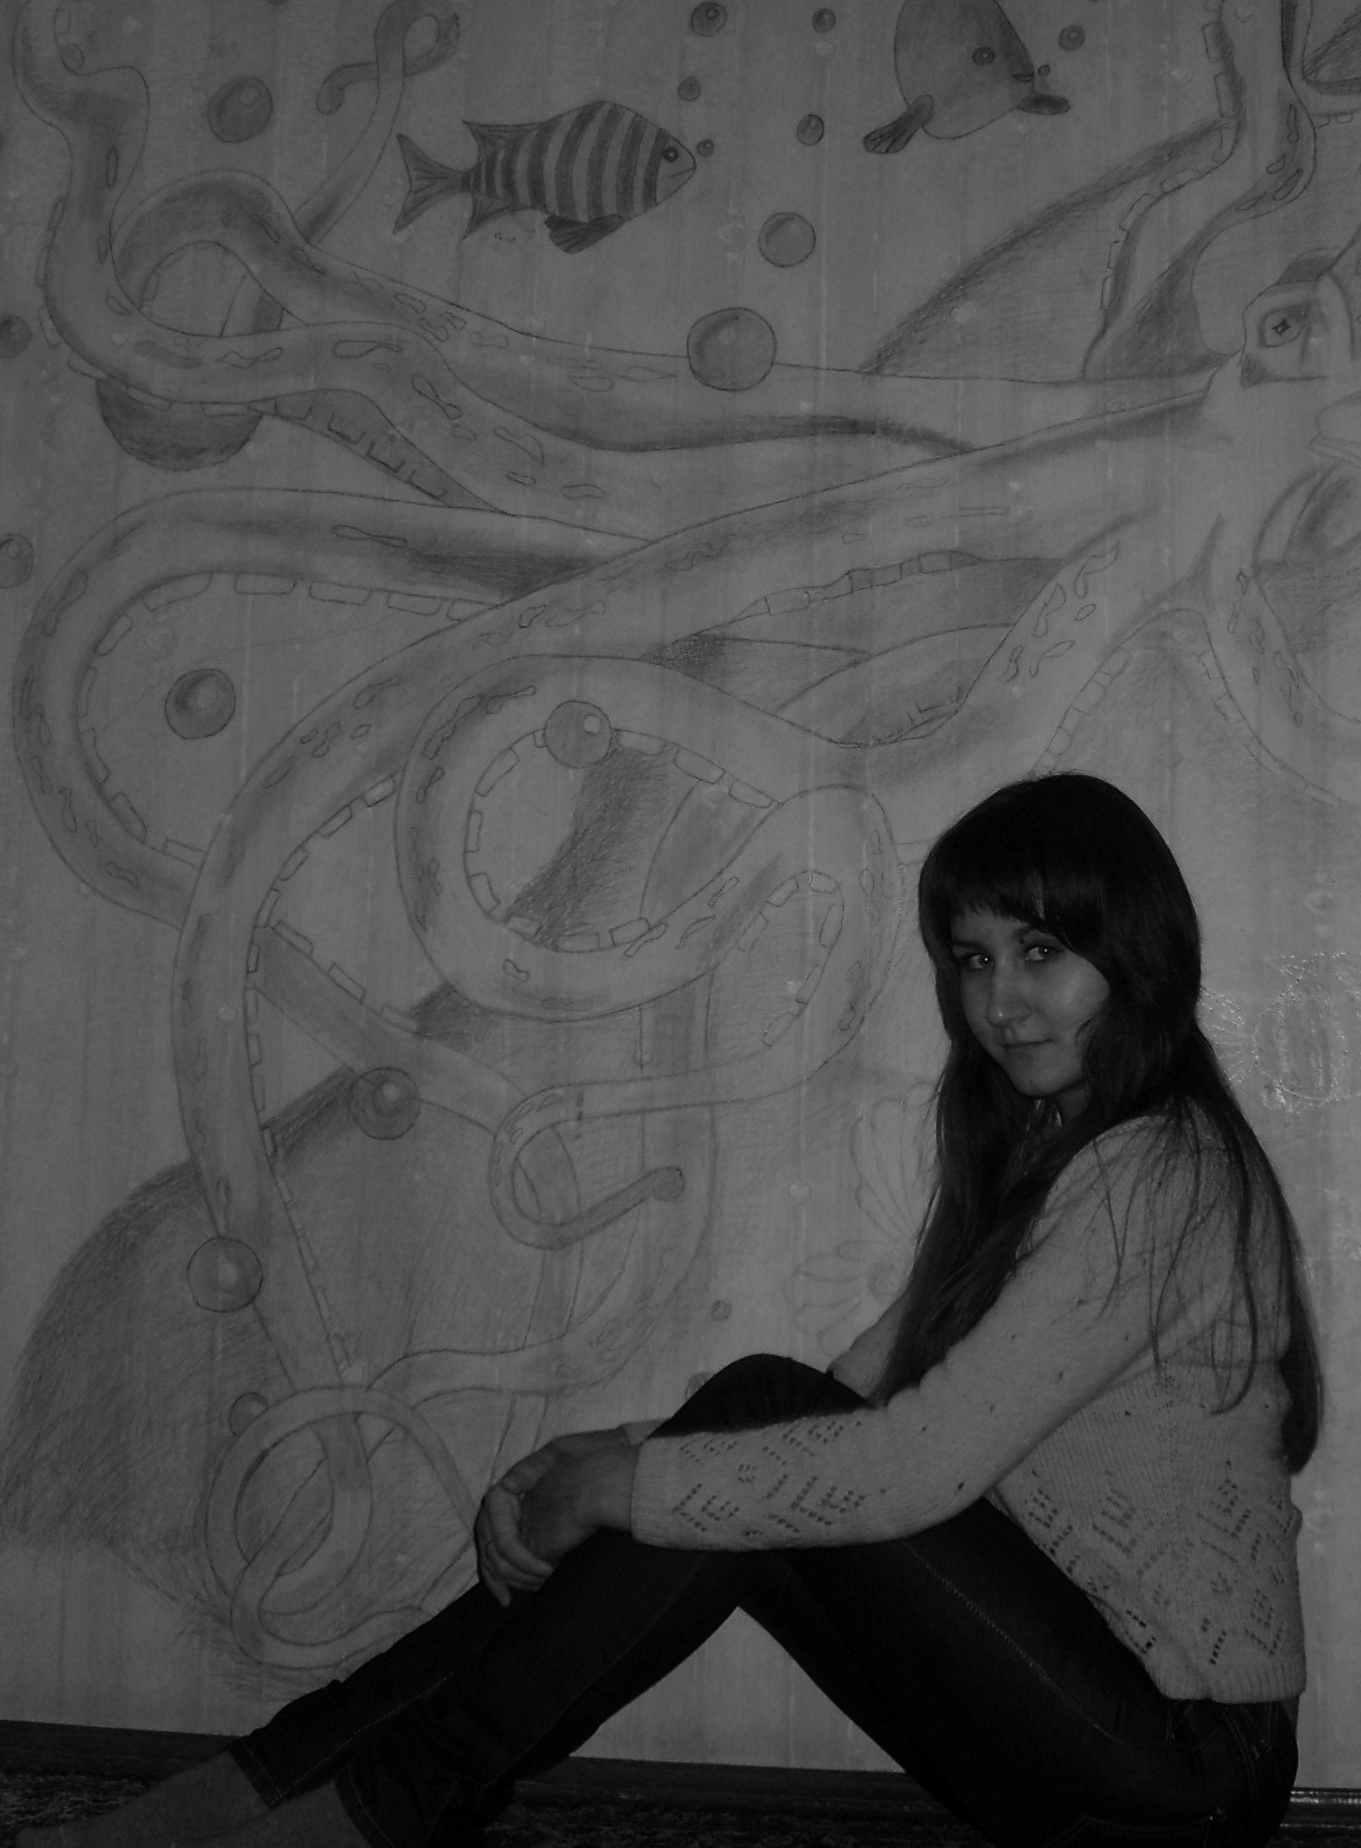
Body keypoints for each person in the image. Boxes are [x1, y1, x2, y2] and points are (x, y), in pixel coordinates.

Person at [26, 772, 1322, 1848]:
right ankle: (252, 1788)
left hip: (1184, 1774)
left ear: (1133, 946)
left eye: (1041, 951)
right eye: (973, 959)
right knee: (748, 1457)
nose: (997, 1001)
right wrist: (601, 1464)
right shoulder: (1048, 1157)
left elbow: (913, 1463)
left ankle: (368, 1810)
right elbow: (849, 1402)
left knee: (748, 1437)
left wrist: (618, 1483)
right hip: (1087, 1744)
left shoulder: (1162, 1174)